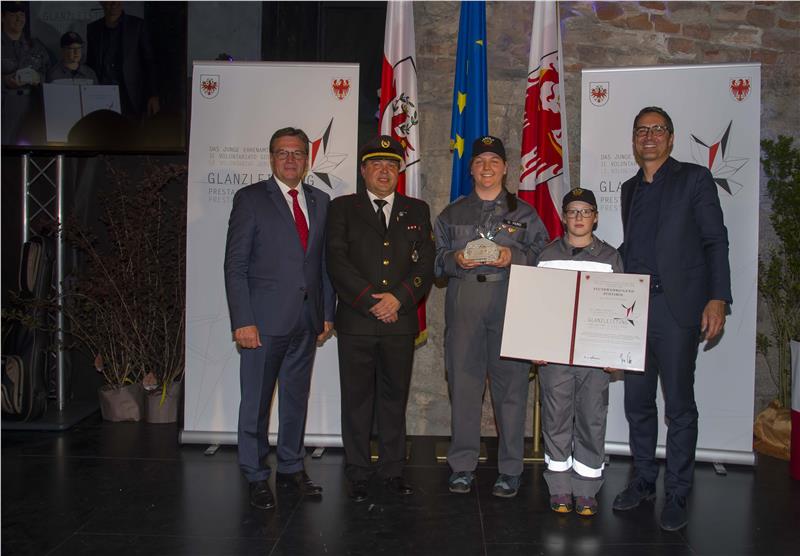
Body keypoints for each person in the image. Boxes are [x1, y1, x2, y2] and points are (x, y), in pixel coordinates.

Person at [612, 106, 731, 531]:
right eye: (641, 130)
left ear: (671, 137)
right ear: (633, 139)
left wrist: (717, 298)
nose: (649, 136)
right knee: (637, 403)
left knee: (679, 406)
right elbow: (633, 248)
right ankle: (644, 479)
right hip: (634, 310)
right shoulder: (629, 189)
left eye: (657, 129)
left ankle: (678, 490)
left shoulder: (694, 179)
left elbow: (715, 240)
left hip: (677, 309)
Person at [224, 127, 335, 510]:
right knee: (255, 402)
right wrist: (242, 319)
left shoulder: (321, 201)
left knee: (295, 400)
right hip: (262, 323)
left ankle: (290, 467)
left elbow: (322, 264)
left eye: (297, 153)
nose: (290, 159)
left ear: (307, 159)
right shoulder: (251, 199)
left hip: (306, 320)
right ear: (271, 158)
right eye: (283, 152)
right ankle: (255, 474)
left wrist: (326, 313)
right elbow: (235, 265)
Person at [434, 136, 549, 498]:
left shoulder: (525, 213)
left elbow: (545, 255)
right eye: (480, 161)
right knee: (464, 386)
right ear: (471, 168)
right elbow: (435, 261)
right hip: (465, 299)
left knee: (511, 389)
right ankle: (462, 466)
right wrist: (454, 259)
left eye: (494, 161)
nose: (487, 167)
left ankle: (511, 469)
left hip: (508, 299)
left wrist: (513, 256)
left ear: (505, 168)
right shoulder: (451, 213)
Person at [326, 135, 434, 503]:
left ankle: (392, 470)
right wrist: (371, 301)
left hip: (398, 323)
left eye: (391, 165)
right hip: (357, 321)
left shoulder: (417, 209)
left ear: (400, 171)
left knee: (394, 399)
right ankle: (358, 471)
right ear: (363, 170)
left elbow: (425, 262)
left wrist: (399, 298)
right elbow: (336, 261)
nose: (384, 171)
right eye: (376, 164)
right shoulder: (342, 208)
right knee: (356, 400)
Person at [534, 187, 623, 516]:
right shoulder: (546, 256)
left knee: (591, 418)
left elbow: (621, 309)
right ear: (563, 217)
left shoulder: (611, 257)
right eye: (573, 211)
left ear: (595, 217)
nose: (579, 217)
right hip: (555, 356)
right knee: (555, 418)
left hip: (594, 357)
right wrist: (534, 346)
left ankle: (586, 489)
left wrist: (615, 354)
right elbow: (536, 306)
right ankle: (559, 487)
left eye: (586, 211)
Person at [86, 1, 159, 119]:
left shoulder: (137, 25)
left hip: (131, 97)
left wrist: (153, 95)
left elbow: (149, 62)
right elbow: (90, 65)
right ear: (101, 2)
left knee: (131, 130)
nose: (114, 3)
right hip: (101, 95)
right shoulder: (93, 29)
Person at [1, 1, 50, 144]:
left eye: (22, 15)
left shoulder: (35, 45)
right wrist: (4, 81)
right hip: (5, 105)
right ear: (2, 17)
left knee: (30, 148)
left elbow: (48, 73)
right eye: (13, 14)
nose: (19, 19)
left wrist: (38, 78)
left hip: (31, 107)